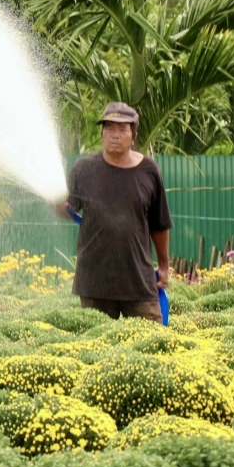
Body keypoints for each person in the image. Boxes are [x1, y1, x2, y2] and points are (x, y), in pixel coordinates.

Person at [56, 102, 172, 322]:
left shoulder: (149, 171)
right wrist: (56, 205)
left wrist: (164, 266)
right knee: (96, 348)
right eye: (109, 128)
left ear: (133, 136)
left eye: (122, 129)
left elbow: (160, 224)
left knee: (151, 345)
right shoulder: (84, 169)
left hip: (139, 282)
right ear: (102, 134)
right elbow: (67, 210)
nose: (114, 134)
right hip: (94, 284)